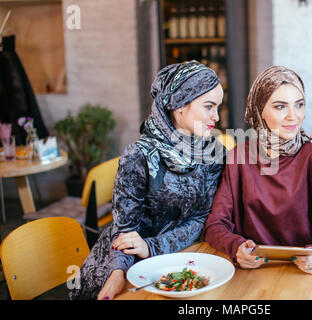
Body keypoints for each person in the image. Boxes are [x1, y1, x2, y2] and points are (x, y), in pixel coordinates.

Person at [69, 61, 226, 300]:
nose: (216, 116)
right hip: (128, 263)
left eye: (218, 107)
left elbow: (202, 217)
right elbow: (125, 231)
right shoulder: (139, 155)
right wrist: (118, 271)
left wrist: (152, 246)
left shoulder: (214, 152)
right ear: (179, 105)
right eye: (209, 107)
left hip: (181, 259)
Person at [203, 66, 312, 274]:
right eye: (280, 107)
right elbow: (215, 226)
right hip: (252, 278)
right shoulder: (239, 157)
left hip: (306, 276)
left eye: (299, 105)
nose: (293, 117)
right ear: (259, 111)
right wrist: (236, 247)